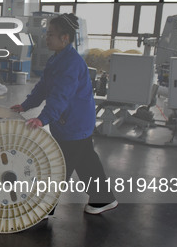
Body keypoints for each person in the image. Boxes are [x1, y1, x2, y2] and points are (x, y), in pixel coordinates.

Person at [11, 13, 117, 214]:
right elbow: (43, 87)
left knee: (59, 167)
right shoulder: (57, 58)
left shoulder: (70, 63)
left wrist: (42, 118)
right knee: (86, 161)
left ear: (64, 38)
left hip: (74, 123)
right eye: (46, 34)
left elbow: (60, 97)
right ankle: (103, 198)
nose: (46, 38)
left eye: (50, 34)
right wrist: (26, 105)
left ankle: (44, 208)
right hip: (71, 122)